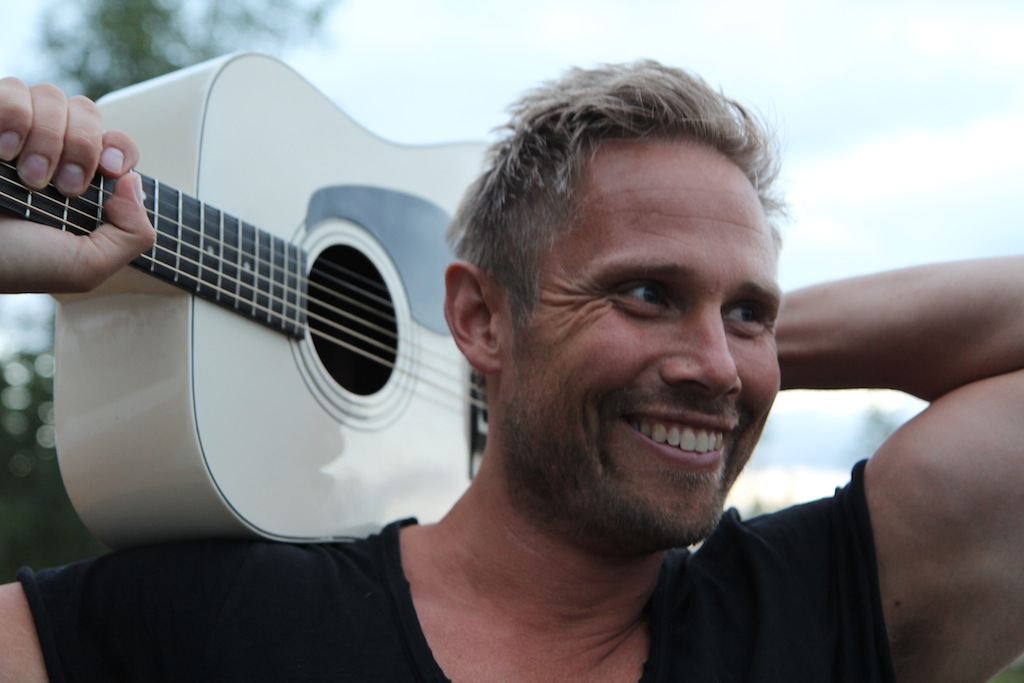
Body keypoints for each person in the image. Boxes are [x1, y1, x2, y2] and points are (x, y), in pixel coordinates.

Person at [0, 60, 1022, 682]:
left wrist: (700, 358)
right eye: (647, 291)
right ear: (480, 318)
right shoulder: (205, 618)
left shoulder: (816, 614)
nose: (717, 362)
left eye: (748, 309)